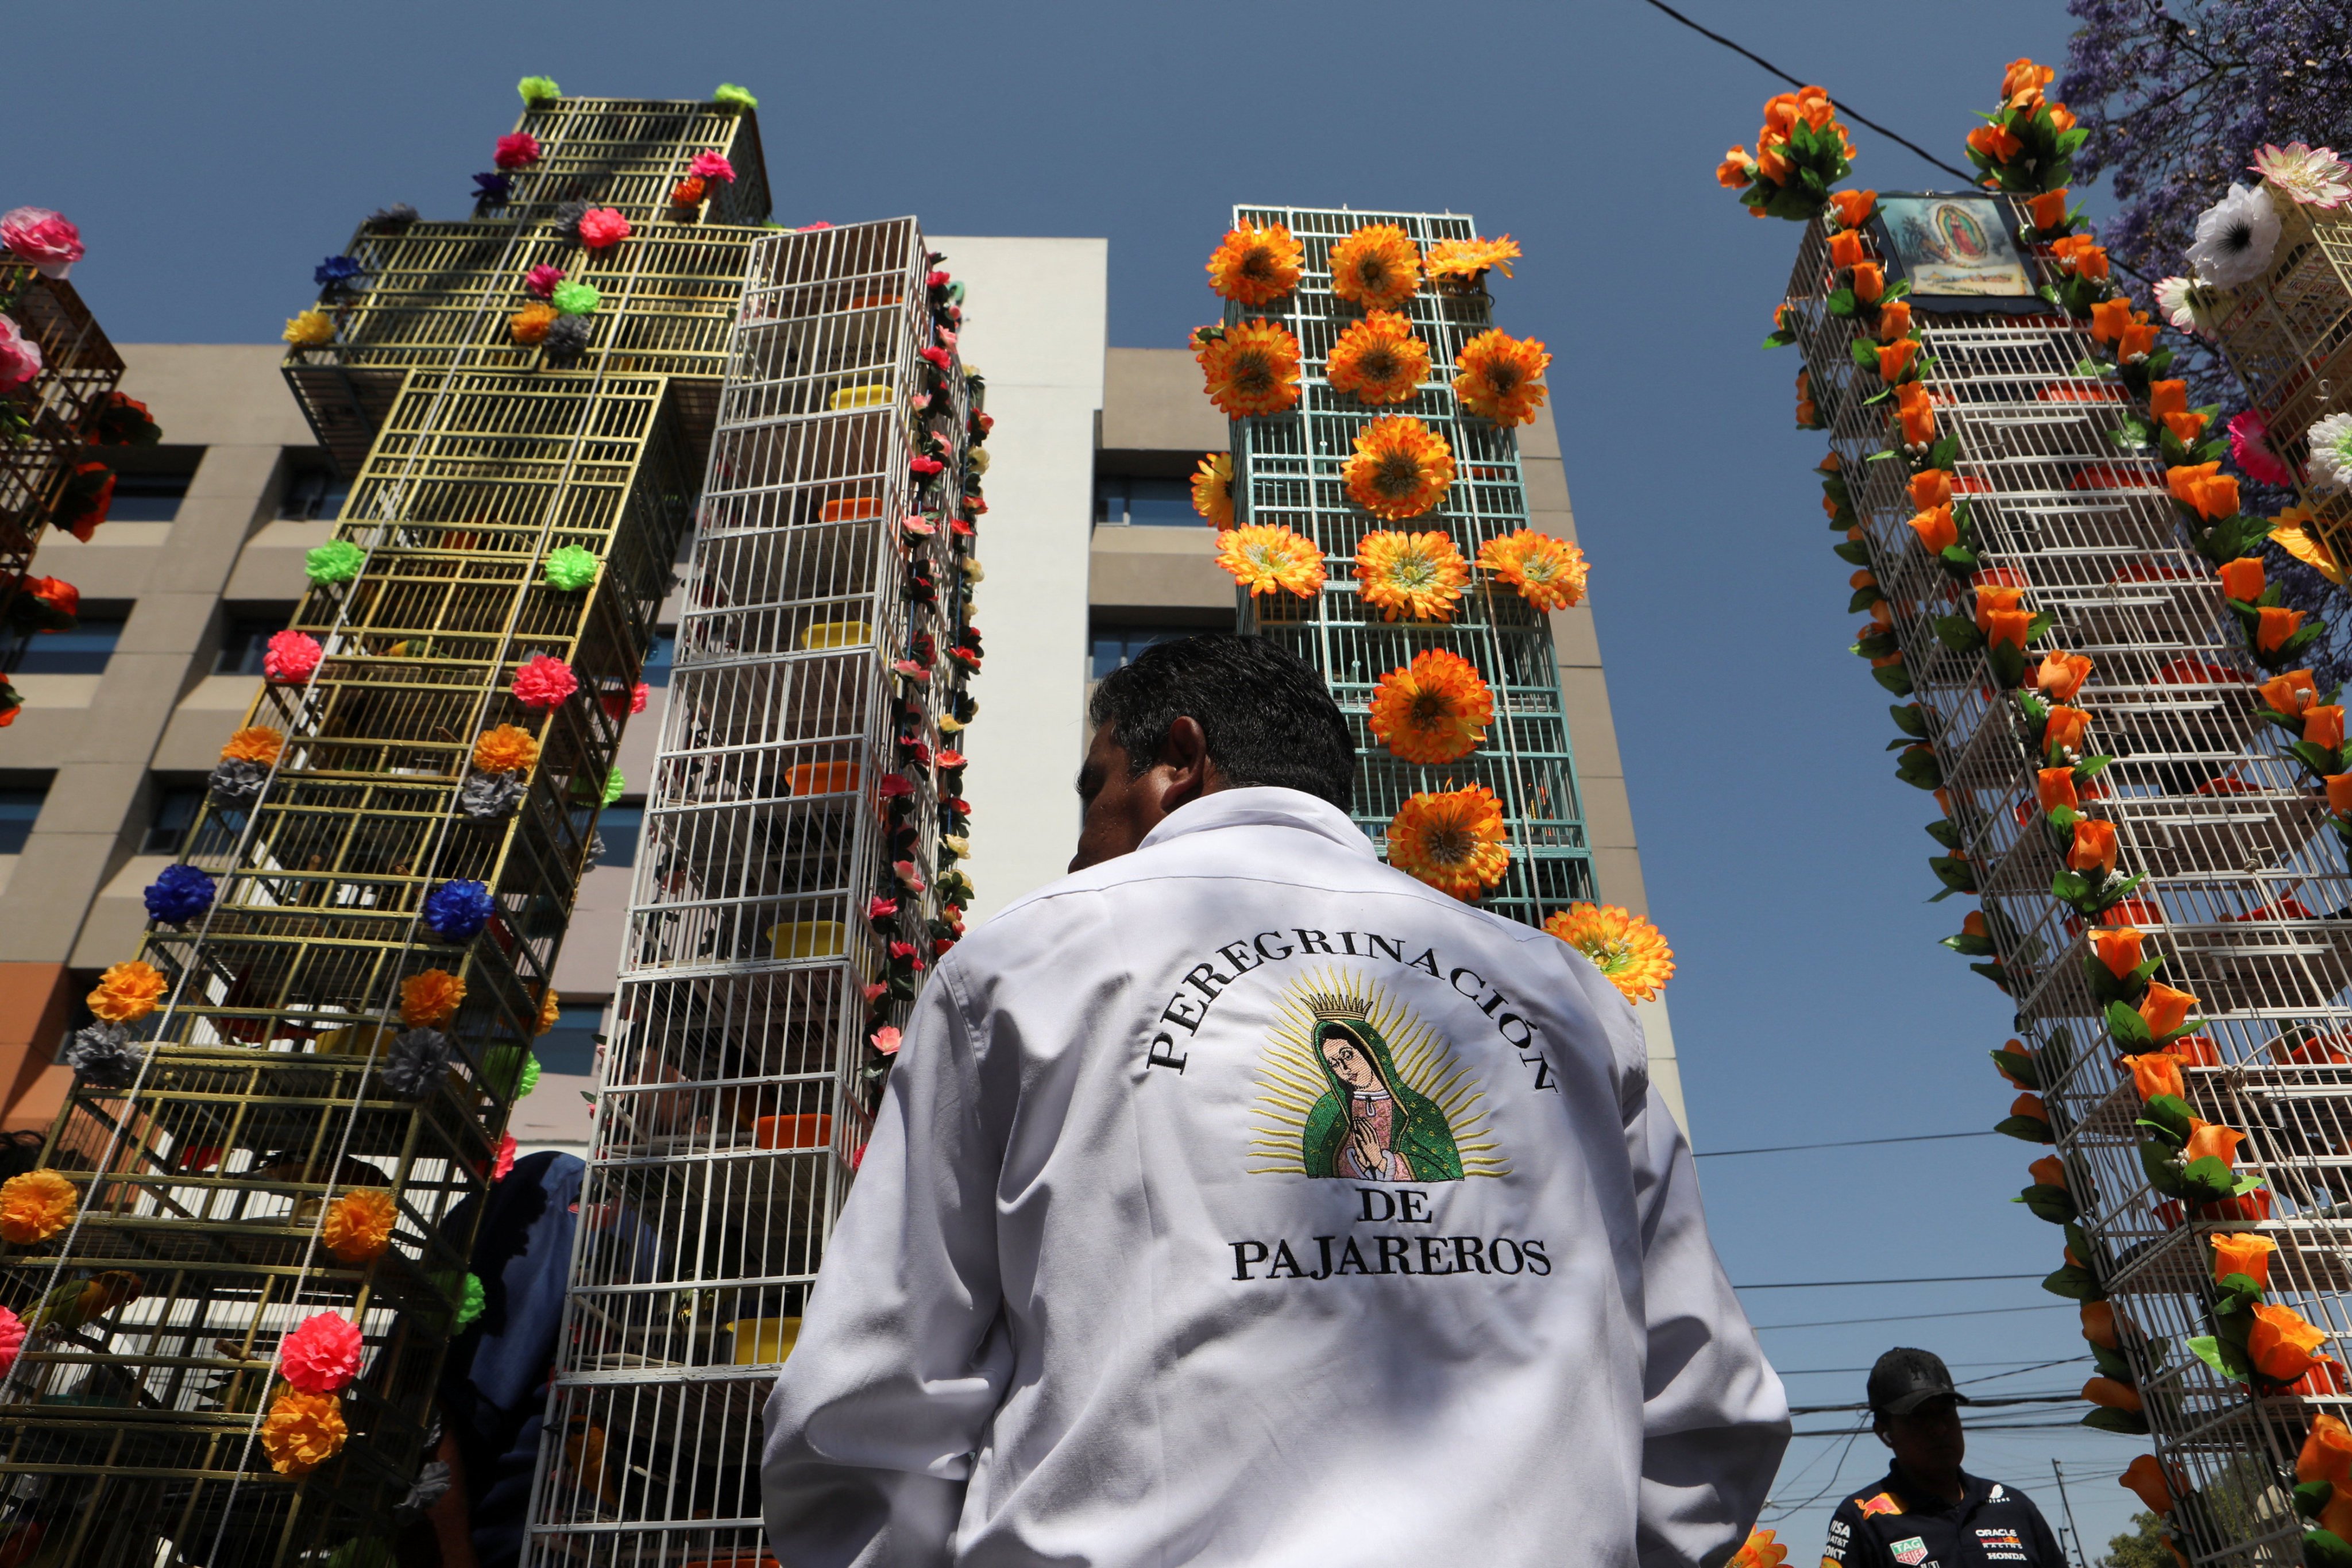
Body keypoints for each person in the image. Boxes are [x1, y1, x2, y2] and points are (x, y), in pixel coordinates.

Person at [762, 633, 1789, 1566]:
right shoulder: (1564, 993)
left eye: (1096, 788)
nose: (1082, 845)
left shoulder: (1026, 962)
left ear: (1177, 760)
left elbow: (870, 1405)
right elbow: (1707, 1411)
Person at [1822, 1348, 2065, 1568]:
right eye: (1919, 1418)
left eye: (1946, 1412)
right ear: (1884, 1434)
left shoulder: (2014, 1506)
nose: (1939, 1429)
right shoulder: (1861, 1518)